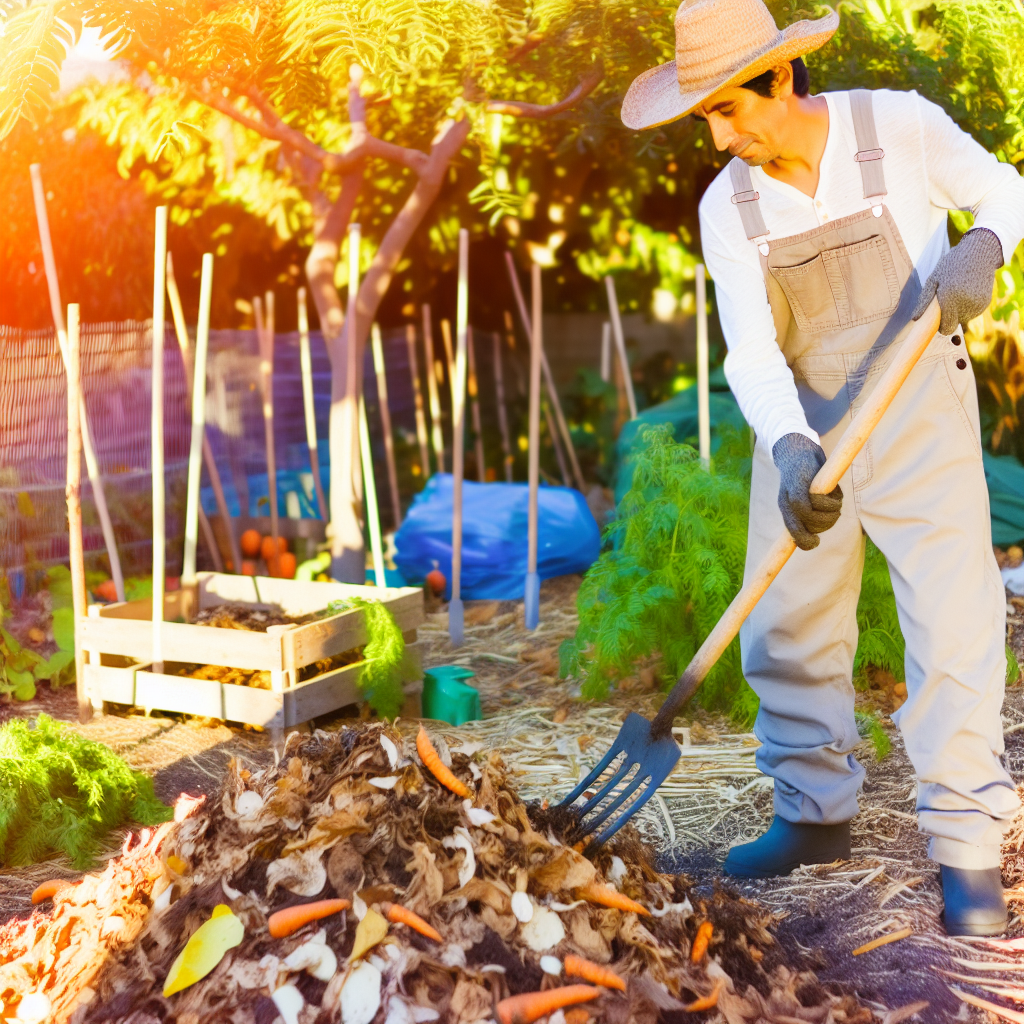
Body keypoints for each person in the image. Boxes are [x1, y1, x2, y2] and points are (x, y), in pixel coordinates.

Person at [622, 0, 1024, 935]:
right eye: (706, 120)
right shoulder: (731, 204)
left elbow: (1009, 187)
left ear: (782, 78)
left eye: (731, 110)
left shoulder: (899, 129)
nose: (723, 138)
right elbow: (752, 353)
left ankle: (966, 849)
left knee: (954, 623)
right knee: (789, 627)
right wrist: (790, 444)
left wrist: (985, 244)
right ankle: (812, 817)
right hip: (805, 422)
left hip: (920, 403)